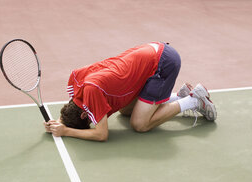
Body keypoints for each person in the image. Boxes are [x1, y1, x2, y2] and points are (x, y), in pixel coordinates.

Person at [44, 42, 217, 141]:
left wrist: (66, 131)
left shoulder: (92, 91)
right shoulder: (76, 80)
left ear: (83, 115)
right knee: (125, 111)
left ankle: (194, 99)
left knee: (139, 124)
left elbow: (102, 134)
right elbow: (73, 110)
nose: (92, 119)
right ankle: (180, 96)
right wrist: (59, 122)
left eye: (88, 119)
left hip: (163, 64)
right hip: (151, 51)